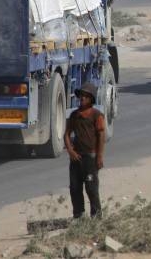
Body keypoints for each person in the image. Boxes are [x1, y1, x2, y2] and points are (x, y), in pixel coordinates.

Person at [64, 81, 105, 219]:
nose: (82, 98)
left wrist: (99, 157)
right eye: (81, 96)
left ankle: (96, 215)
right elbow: (67, 134)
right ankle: (79, 214)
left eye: (86, 96)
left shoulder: (96, 115)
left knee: (91, 187)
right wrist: (70, 150)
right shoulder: (74, 115)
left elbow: (101, 136)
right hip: (76, 158)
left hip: (90, 158)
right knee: (75, 187)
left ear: (91, 99)